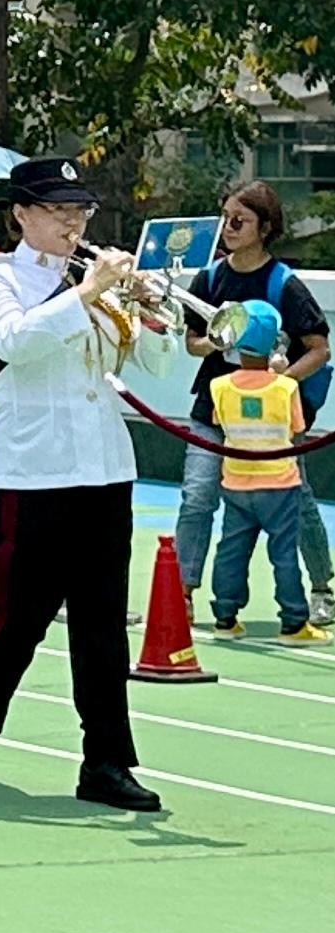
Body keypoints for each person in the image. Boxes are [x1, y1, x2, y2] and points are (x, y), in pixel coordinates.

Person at [0, 155, 162, 813]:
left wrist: (151, 313)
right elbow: (13, 341)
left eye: (79, 211)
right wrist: (87, 292)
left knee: (102, 623)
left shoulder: (95, 280)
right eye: (57, 210)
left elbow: (151, 363)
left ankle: (106, 760)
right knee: (20, 615)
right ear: (21, 214)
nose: (72, 223)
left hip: (103, 464)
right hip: (36, 468)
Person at [176, 180, 330, 622]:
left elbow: (319, 348)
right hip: (215, 409)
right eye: (225, 218)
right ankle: (183, 592)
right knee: (197, 495)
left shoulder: (285, 284)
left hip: (271, 421)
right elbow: (191, 341)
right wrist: (214, 341)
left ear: (265, 228)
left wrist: (279, 383)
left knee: (297, 499)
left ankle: (322, 587)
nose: (229, 228)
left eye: (240, 221)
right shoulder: (208, 278)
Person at [203, 302, 326, 643]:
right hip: (279, 484)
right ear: (274, 344)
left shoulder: (219, 386)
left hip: (236, 482)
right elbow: (297, 427)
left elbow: (217, 421)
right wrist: (278, 375)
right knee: (283, 552)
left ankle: (225, 618)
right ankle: (293, 623)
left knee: (231, 550)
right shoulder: (285, 388)